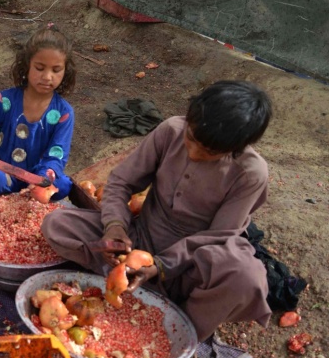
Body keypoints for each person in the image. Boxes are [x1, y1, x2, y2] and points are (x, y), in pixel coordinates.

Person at [43, 81, 273, 341]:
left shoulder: (250, 174)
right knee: (57, 224)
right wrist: (115, 227)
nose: (194, 153)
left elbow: (219, 236)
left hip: (193, 265)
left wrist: (162, 266)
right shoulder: (172, 130)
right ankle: (134, 285)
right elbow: (121, 182)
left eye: (209, 152)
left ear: (236, 149)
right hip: (141, 236)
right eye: (192, 138)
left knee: (246, 278)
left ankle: (181, 333)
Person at [0, 24, 75, 199]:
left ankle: (34, 195)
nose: (47, 77)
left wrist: (46, 175)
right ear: (26, 66)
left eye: (56, 70)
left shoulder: (64, 113)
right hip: (2, 174)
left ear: (66, 72)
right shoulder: (5, 100)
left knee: (64, 185)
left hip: (38, 180)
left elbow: (57, 155)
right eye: (39, 68)